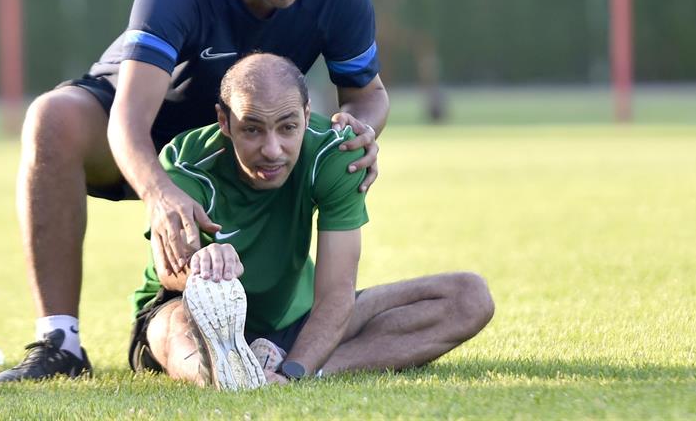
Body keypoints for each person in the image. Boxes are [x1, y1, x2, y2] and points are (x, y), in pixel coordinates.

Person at [0, 0, 389, 384]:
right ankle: (60, 343)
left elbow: (368, 96)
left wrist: (359, 130)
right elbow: (128, 121)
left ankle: (277, 344)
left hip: (245, 141)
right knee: (50, 119)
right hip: (151, 134)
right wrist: (160, 193)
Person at [128, 53, 494, 388]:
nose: (272, 150)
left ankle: (290, 371)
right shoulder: (185, 164)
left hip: (296, 322)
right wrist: (203, 266)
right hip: (197, 317)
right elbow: (168, 270)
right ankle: (224, 375)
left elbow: (337, 292)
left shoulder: (336, 154)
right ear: (224, 121)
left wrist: (296, 369)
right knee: (171, 331)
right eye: (252, 129)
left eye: (287, 127)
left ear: (306, 114)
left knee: (468, 297)